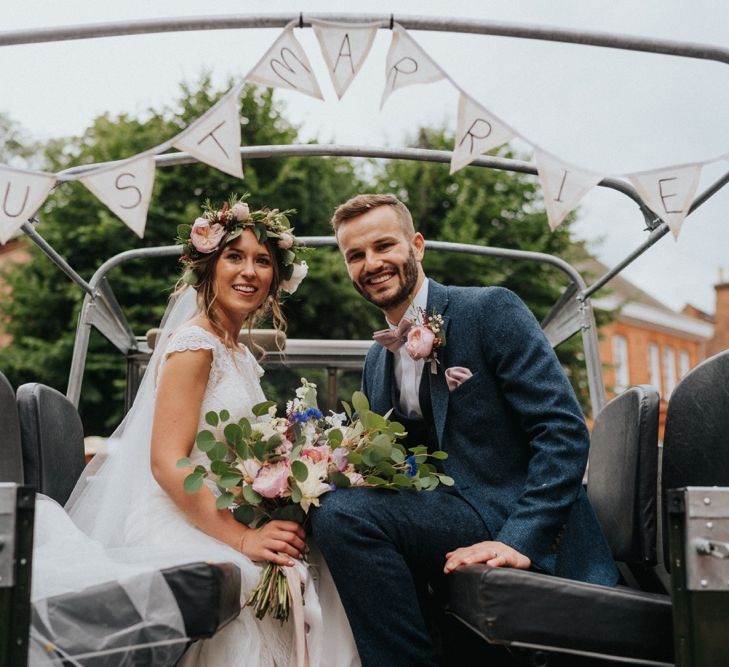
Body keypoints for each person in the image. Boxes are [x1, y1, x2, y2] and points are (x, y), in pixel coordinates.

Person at [32, 196, 359, 667]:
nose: (249, 271)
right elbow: (168, 463)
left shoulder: (241, 355)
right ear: (207, 267)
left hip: (223, 511)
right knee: (264, 580)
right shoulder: (195, 345)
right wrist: (243, 539)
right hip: (179, 515)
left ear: (275, 279)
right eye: (235, 256)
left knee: (321, 562)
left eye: (263, 261)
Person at [311, 194, 619, 667]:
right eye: (356, 255)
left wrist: (518, 539)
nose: (371, 263)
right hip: (443, 512)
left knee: (343, 515)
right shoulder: (376, 361)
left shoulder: (489, 310)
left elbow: (562, 432)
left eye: (383, 246)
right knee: (331, 508)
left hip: (507, 510)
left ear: (417, 246)